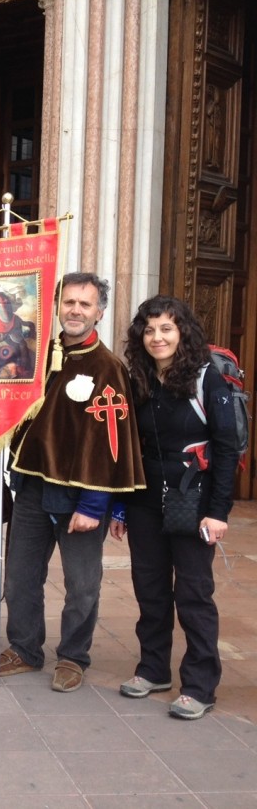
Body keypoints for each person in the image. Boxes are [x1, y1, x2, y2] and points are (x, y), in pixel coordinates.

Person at [0, 272, 144, 692]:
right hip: (34, 489)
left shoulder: (108, 367)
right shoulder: (35, 356)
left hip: (80, 497)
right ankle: (24, 648)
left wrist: (95, 505)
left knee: (81, 584)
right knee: (20, 576)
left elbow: (111, 443)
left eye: (85, 304)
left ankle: (73, 656)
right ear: (57, 305)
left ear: (100, 312)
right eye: (69, 302)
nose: (75, 310)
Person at [113, 295, 237, 719]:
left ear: (182, 332)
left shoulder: (207, 379)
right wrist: (119, 507)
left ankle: (200, 685)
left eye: (166, 328)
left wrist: (218, 512)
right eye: (149, 330)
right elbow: (131, 447)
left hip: (195, 500)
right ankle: (153, 669)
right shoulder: (141, 378)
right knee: (150, 589)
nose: (157, 337)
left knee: (193, 594)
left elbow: (226, 448)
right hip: (146, 501)